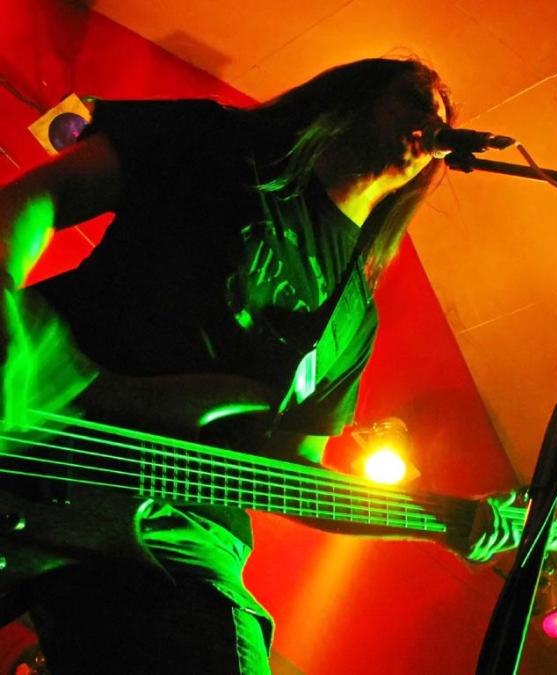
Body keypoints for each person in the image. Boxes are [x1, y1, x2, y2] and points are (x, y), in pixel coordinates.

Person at [0, 58, 512, 674]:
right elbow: (41, 198)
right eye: (416, 99)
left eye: (443, 114)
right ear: (350, 96)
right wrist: (9, 320)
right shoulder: (215, 140)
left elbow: (296, 472)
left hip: (175, 521)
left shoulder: (352, 317)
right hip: (29, 414)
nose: (433, 119)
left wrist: (442, 521)